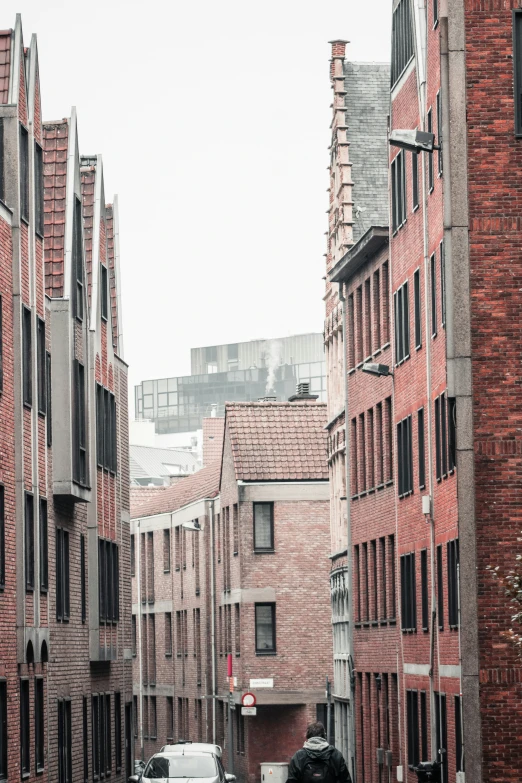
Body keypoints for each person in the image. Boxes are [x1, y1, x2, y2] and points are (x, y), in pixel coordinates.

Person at [287, 722, 351, 783]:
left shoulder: (298, 756)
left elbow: (291, 780)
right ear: (324, 735)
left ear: (307, 736)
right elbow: (346, 780)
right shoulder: (335, 755)